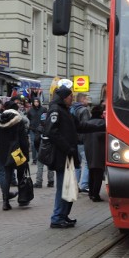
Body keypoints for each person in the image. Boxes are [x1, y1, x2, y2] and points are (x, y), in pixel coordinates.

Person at [42, 85, 105, 228]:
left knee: (69, 186)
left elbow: (80, 126)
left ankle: (63, 215)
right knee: (63, 187)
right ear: (65, 97)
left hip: (68, 155)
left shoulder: (66, 111)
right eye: (71, 96)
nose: (72, 99)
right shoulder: (56, 110)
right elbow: (52, 132)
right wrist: (67, 148)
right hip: (61, 156)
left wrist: (101, 126)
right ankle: (57, 218)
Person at [0, 102, 30, 210]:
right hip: (17, 151)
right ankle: (22, 198)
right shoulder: (18, 121)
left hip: (4, 152)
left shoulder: (0, 120)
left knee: (7, 176)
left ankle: (5, 202)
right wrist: (26, 154)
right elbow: (23, 139)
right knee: (21, 174)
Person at [83, 104, 106, 202]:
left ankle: (91, 193)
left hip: (89, 150)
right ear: (101, 114)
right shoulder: (103, 123)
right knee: (98, 174)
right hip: (99, 151)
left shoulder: (87, 123)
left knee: (91, 172)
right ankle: (96, 195)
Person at [70, 92, 91, 193]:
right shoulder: (84, 110)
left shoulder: (72, 109)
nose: (87, 101)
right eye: (86, 99)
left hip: (73, 141)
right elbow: (85, 126)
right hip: (82, 141)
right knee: (87, 163)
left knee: (76, 164)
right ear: (82, 100)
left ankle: (74, 185)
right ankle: (84, 185)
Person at [26, 98, 46, 164]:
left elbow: (45, 118)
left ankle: (39, 158)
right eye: (35, 101)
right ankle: (34, 159)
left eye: (37, 101)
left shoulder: (43, 109)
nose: (36, 103)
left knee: (40, 144)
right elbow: (28, 118)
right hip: (33, 129)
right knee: (33, 144)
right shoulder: (30, 110)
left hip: (41, 130)